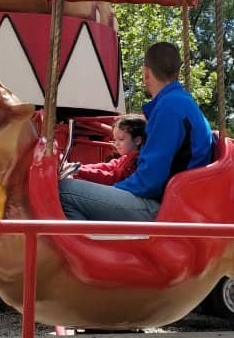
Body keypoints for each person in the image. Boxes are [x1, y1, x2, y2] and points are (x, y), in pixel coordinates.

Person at [58, 42, 213, 221]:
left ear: (146, 73)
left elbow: (150, 181)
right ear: (177, 72)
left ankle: (88, 248)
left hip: (166, 208)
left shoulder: (169, 108)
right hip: (176, 199)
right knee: (82, 192)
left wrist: (110, 192)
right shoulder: (180, 102)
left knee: (64, 190)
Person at [70, 114, 146, 185]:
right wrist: (79, 167)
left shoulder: (134, 161)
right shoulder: (127, 157)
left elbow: (114, 178)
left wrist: (80, 171)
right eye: (115, 140)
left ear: (137, 140)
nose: (116, 144)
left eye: (121, 139)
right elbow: (109, 166)